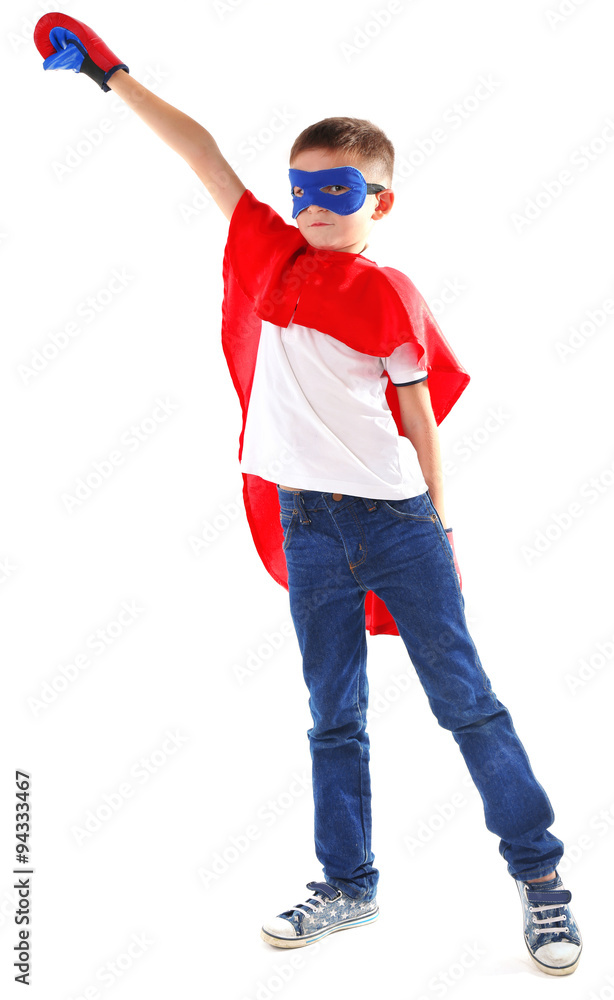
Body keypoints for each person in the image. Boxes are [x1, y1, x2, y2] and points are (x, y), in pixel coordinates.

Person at [33, 12, 583, 976]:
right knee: (333, 713)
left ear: (381, 199)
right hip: (311, 531)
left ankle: (541, 884)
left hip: (399, 526)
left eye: (337, 189)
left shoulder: (386, 293)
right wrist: (109, 74)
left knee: (469, 705)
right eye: (304, 189)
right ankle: (349, 886)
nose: (315, 205)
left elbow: (419, 416)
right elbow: (200, 150)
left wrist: (441, 523)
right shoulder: (268, 254)